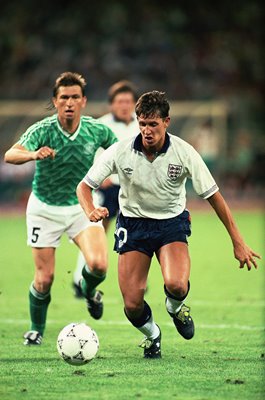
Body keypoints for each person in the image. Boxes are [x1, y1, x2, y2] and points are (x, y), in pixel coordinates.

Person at [76, 90, 261, 359]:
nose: (147, 130)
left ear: (167, 122)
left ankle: (175, 308)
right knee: (132, 304)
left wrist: (238, 241)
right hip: (134, 226)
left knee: (176, 284)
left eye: (153, 124)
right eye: (142, 123)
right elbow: (84, 186)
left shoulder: (185, 153)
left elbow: (215, 197)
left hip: (170, 225)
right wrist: (90, 209)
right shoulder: (120, 151)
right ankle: (153, 335)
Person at [4, 72, 118, 345]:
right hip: (44, 209)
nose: (69, 102)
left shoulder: (97, 130)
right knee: (44, 279)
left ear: (84, 101)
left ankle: (89, 292)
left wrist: (113, 174)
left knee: (99, 265)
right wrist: (33, 154)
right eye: (64, 97)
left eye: (75, 97)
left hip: (82, 206)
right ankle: (36, 329)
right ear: (55, 101)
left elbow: (121, 152)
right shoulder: (42, 130)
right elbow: (10, 154)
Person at [73, 80, 139, 296]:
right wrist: (100, 178)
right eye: (120, 101)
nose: (124, 105)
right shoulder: (100, 125)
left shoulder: (142, 124)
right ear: (111, 104)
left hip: (135, 190)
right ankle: (79, 279)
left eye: (128, 101)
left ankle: (135, 281)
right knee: (97, 232)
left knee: (136, 235)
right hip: (107, 188)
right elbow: (86, 154)